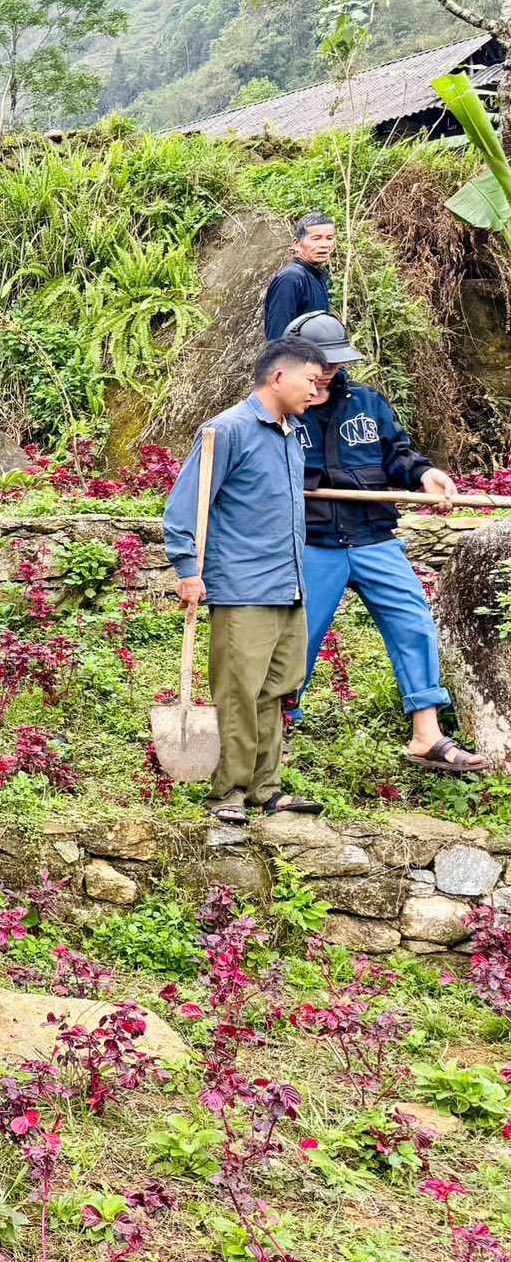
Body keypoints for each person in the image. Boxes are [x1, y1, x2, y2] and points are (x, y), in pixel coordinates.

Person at [288, 311, 485, 773]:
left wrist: (425, 473)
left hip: (373, 537)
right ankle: (277, 728)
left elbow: (398, 453)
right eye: (320, 364)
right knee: (299, 636)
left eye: (335, 364)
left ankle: (427, 735)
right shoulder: (278, 412)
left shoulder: (368, 402)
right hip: (313, 542)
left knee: (413, 623)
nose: (328, 373)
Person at [163, 336, 328, 824]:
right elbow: (183, 510)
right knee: (239, 691)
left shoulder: (291, 433)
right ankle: (228, 793)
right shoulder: (226, 431)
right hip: (243, 588)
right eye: (310, 381)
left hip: (287, 584)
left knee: (276, 690)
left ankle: (265, 788)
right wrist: (187, 570)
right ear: (279, 377)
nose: (316, 392)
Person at [263, 211, 335, 341]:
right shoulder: (291, 279)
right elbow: (277, 338)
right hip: (297, 360)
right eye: (316, 238)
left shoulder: (316, 276)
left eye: (329, 238)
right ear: (296, 243)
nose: (324, 244)